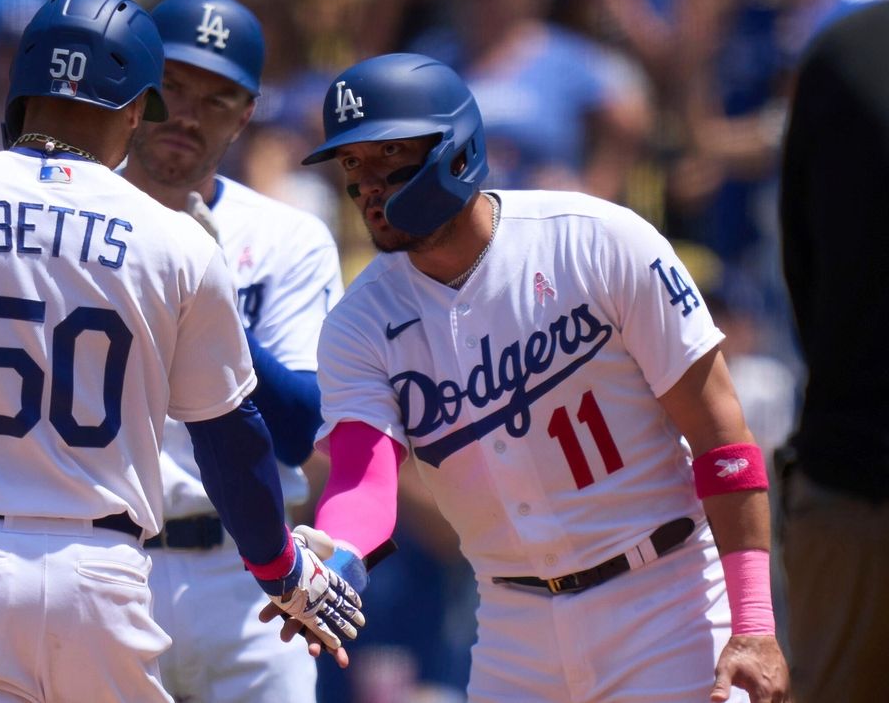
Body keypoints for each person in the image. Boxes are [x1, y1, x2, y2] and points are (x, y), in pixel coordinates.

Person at [0, 0, 364, 702]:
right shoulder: (176, 239)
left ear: (19, 86)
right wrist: (284, 573)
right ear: (133, 108)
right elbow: (234, 440)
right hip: (107, 568)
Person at [287, 52, 790, 702]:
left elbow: (721, 433)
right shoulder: (360, 321)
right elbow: (363, 475)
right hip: (513, 628)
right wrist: (339, 558)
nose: (368, 185)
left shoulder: (594, 240)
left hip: (668, 600)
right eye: (352, 164)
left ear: (454, 148)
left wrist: (753, 623)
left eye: (386, 154)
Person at [120, 0, 343, 702]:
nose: (188, 113)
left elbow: (300, 428)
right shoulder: (67, 222)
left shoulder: (286, 237)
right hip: (107, 562)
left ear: (247, 114)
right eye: (173, 88)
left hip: (248, 571)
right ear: (134, 85)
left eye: (218, 98)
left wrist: (206, 293)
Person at [777, 0, 889, 702]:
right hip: (855, 487)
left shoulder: (844, 49)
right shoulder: (846, 53)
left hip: (851, 474)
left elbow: (802, 270)